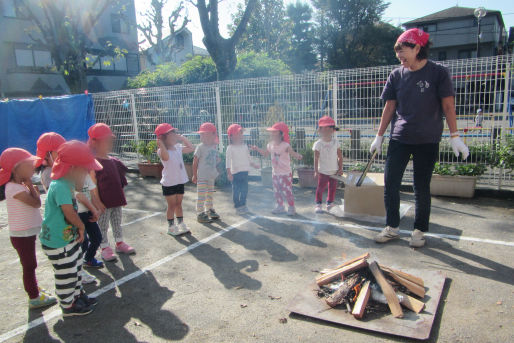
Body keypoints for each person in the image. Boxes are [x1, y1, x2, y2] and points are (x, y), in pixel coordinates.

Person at [370, 28, 469, 248]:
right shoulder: (396, 75)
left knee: (421, 186)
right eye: (398, 56)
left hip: (428, 139)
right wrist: (379, 135)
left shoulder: (438, 73)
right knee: (391, 183)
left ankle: (418, 231)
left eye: (403, 53)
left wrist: (455, 135)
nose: (400, 59)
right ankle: (392, 227)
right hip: (400, 137)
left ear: (417, 48)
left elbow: (448, 105)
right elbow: (389, 107)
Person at [40, 140, 102, 316]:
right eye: (85, 171)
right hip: (58, 242)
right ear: (73, 169)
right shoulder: (59, 185)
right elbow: (68, 212)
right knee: (66, 274)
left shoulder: (67, 184)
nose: (86, 175)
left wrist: (82, 224)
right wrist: (81, 226)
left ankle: (76, 296)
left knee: (75, 269)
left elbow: (78, 200)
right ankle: (68, 305)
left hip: (68, 238)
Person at [0, 148, 57, 309]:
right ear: (17, 168)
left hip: (28, 232)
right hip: (21, 234)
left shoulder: (20, 185)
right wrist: (32, 188)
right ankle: (33, 296)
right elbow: (35, 203)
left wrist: (30, 186)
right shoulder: (13, 188)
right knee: (29, 264)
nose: (33, 168)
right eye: (29, 165)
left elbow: (36, 202)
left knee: (30, 264)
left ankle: (34, 288)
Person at [88, 123, 135, 261]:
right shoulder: (94, 162)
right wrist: (97, 202)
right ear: (95, 142)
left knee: (116, 221)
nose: (109, 144)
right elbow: (93, 184)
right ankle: (104, 247)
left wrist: (121, 198)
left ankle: (120, 242)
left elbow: (118, 182)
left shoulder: (113, 160)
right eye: (105, 141)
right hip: (103, 202)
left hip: (115, 200)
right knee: (103, 225)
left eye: (110, 140)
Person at [251, 122, 302, 215]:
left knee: (287, 190)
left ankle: (291, 207)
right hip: (275, 173)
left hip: (285, 173)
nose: (272, 134)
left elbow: (292, 153)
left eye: (274, 132)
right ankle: (280, 206)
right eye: (271, 132)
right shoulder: (270, 145)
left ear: (281, 134)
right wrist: (257, 149)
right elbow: (265, 154)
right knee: (277, 191)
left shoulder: (285, 145)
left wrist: (297, 156)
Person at [155, 123, 195, 236]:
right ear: (163, 138)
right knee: (172, 205)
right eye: (171, 134)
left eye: (174, 133)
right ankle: (171, 226)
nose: (174, 135)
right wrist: (161, 144)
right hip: (169, 183)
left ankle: (181, 223)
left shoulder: (177, 147)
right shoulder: (161, 151)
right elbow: (166, 157)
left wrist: (182, 138)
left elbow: (191, 148)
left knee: (179, 204)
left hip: (179, 181)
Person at [225, 124, 259, 214]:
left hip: (244, 172)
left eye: (241, 133)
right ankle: (237, 206)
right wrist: (229, 173)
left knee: (244, 190)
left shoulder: (244, 146)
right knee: (236, 190)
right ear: (232, 136)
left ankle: (243, 205)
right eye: (239, 133)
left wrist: (253, 164)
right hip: (235, 173)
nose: (241, 135)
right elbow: (228, 162)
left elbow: (249, 158)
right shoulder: (230, 148)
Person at [313, 116, 343, 213]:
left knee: (333, 188)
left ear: (332, 130)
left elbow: (340, 157)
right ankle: (318, 204)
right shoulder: (318, 144)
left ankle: (330, 203)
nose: (326, 130)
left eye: (328, 128)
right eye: (323, 128)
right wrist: (316, 171)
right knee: (320, 188)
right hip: (323, 171)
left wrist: (340, 168)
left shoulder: (336, 142)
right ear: (320, 130)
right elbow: (316, 158)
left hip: (334, 171)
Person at [76, 173, 104, 276]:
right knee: (83, 242)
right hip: (77, 215)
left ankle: (88, 258)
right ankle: (76, 267)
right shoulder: (69, 179)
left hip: (88, 212)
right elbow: (80, 197)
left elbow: (92, 195)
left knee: (97, 238)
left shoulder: (86, 176)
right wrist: (94, 209)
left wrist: (97, 210)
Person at [193, 122, 221, 223]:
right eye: (201, 135)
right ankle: (200, 213)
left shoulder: (214, 146)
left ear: (212, 135)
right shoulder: (200, 147)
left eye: (204, 134)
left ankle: (209, 210)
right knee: (201, 195)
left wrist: (218, 161)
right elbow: (195, 161)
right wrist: (194, 175)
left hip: (211, 176)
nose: (202, 137)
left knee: (210, 194)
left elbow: (216, 158)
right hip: (202, 176)